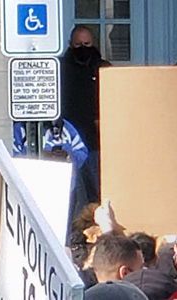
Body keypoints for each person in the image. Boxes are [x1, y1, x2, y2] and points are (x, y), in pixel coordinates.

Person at [60, 25, 111, 218]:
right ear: (70, 45)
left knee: (99, 194)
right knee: (73, 198)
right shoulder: (61, 68)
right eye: (78, 44)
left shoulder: (103, 68)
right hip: (68, 144)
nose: (83, 48)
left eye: (87, 44)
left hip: (96, 142)